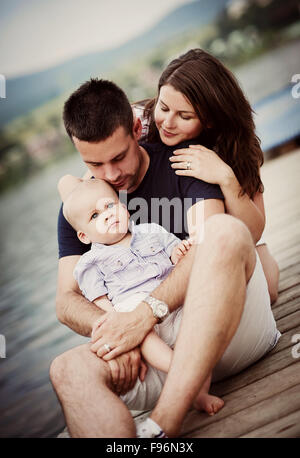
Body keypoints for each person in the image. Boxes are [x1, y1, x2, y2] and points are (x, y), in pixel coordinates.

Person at [50, 74, 280, 438]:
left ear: (137, 129)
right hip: (156, 357)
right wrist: (113, 332)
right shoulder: (83, 208)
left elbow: (207, 245)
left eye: (118, 157)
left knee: (221, 231)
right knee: (66, 370)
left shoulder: (184, 162)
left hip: (226, 331)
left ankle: (164, 424)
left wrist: (143, 316)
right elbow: (66, 300)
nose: (111, 175)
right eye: (94, 165)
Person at [58, 175, 224, 418]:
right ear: (84, 236)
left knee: (199, 304)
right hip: (133, 312)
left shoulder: (151, 231)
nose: (106, 214)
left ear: (123, 207)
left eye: (109, 205)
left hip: (169, 299)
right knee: (143, 335)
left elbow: (176, 259)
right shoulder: (89, 263)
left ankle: (195, 372)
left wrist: (179, 252)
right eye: (94, 216)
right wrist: (119, 324)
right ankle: (186, 375)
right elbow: (100, 300)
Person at [133, 48, 279, 304]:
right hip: (168, 236)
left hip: (230, 225)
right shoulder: (140, 125)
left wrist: (226, 178)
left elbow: (254, 230)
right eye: (164, 107)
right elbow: (95, 169)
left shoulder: (237, 146)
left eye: (184, 116)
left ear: (210, 120)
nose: (167, 122)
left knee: (268, 290)